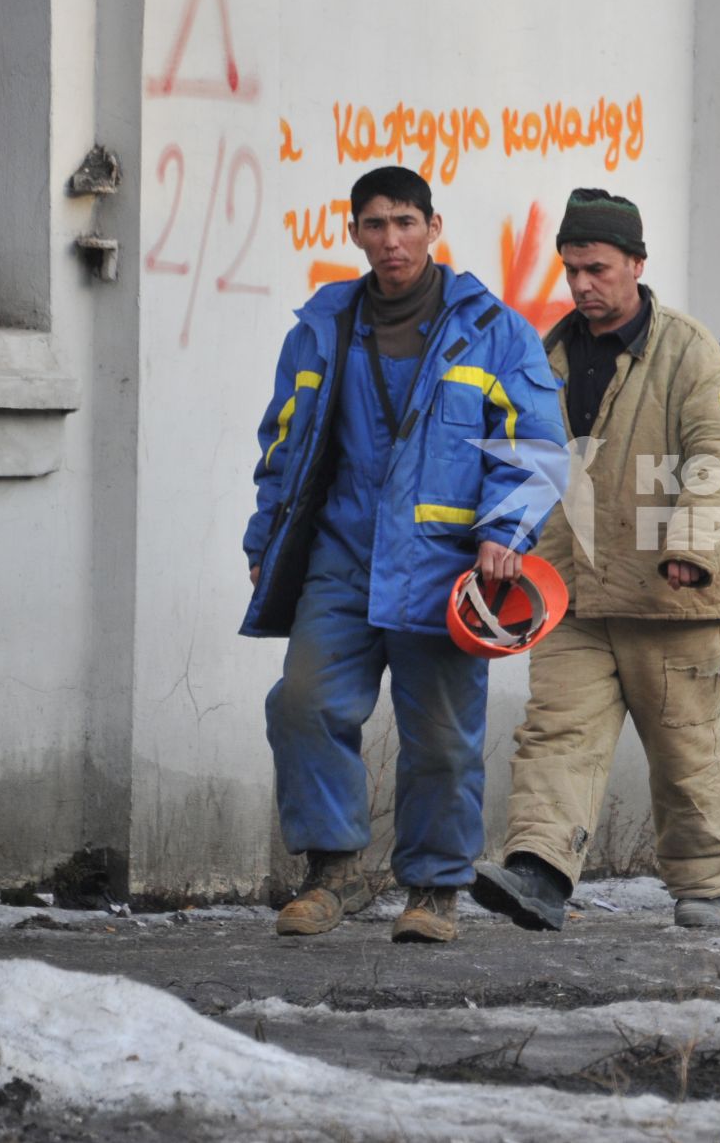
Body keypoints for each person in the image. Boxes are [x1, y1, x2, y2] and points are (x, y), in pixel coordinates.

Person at [242, 166, 566, 944]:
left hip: (448, 566)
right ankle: (336, 870)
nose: (392, 239)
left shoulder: (494, 328)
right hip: (344, 556)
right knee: (303, 703)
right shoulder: (323, 326)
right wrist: (264, 541)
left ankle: (434, 887)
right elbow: (283, 443)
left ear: (434, 226)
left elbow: (536, 444)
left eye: (407, 222)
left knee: (442, 738)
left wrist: (504, 531)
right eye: (376, 224)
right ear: (353, 231)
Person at [471, 190, 720, 932]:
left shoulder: (691, 352)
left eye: (597, 268)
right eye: (571, 270)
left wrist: (692, 547)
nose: (582, 285)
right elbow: (520, 458)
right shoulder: (545, 356)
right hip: (570, 595)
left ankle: (700, 889)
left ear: (636, 263)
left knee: (685, 751)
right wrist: (502, 539)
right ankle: (538, 870)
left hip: (674, 598)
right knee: (555, 734)